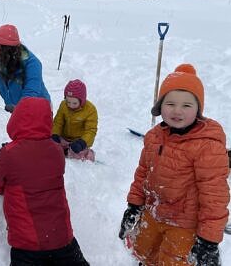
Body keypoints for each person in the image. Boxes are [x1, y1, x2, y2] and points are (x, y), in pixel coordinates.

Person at [119, 64, 229, 266]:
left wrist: (209, 240)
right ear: (160, 106)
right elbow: (143, 173)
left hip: (184, 225)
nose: (177, 111)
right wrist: (134, 205)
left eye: (187, 105)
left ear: (198, 110)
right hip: (152, 213)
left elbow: (214, 195)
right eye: (170, 104)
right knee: (144, 252)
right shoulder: (154, 137)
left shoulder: (207, 145)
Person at [0, 97, 89, 266]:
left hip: (27, 244)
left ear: (17, 119)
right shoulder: (56, 151)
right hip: (61, 238)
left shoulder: (9, 153)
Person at [0, 24, 51, 112]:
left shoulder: (32, 64)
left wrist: (16, 112)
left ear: (6, 49)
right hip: (15, 111)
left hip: (39, 112)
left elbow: (30, 95)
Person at [52, 79, 98, 161]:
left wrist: (82, 143)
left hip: (78, 141)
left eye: (74, 103)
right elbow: (58, 122)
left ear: (82, 101)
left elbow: (91, 130)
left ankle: (88, 153)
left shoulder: (90, 110)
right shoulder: (63, 105)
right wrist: (55, 134)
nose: (70, 105)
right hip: (64, 139)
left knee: (79, 156)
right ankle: (64, 151)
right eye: (68, 102)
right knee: (52, 147)